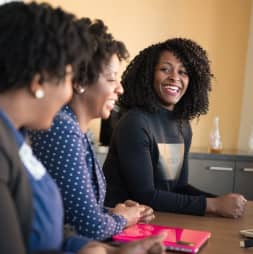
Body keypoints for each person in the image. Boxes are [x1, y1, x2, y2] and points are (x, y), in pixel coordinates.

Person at [0, 2, 165, 254]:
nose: (69, 91)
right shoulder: (23, 140)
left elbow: (46, 226)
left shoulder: (17, 138)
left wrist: (105, 251)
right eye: (68, 77)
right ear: (38, 82)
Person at [29, 19, 154, 241]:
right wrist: (124, 219)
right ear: (80, 81)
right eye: (112, 78)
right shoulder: (62, 127)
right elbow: (89, 228)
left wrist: (117, 212)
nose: (120, 88)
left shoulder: (78, 130)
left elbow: (74, 213)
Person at [103, 38, 247, 219]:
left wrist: (221, 201)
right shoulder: (135, 123)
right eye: (165, 69)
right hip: (123, 224)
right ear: (148, 74)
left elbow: (179, 187)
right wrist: (214, 205)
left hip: (163, 217)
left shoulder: (182, 125)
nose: (175, 77)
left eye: (183, 72)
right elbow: (145, 195)